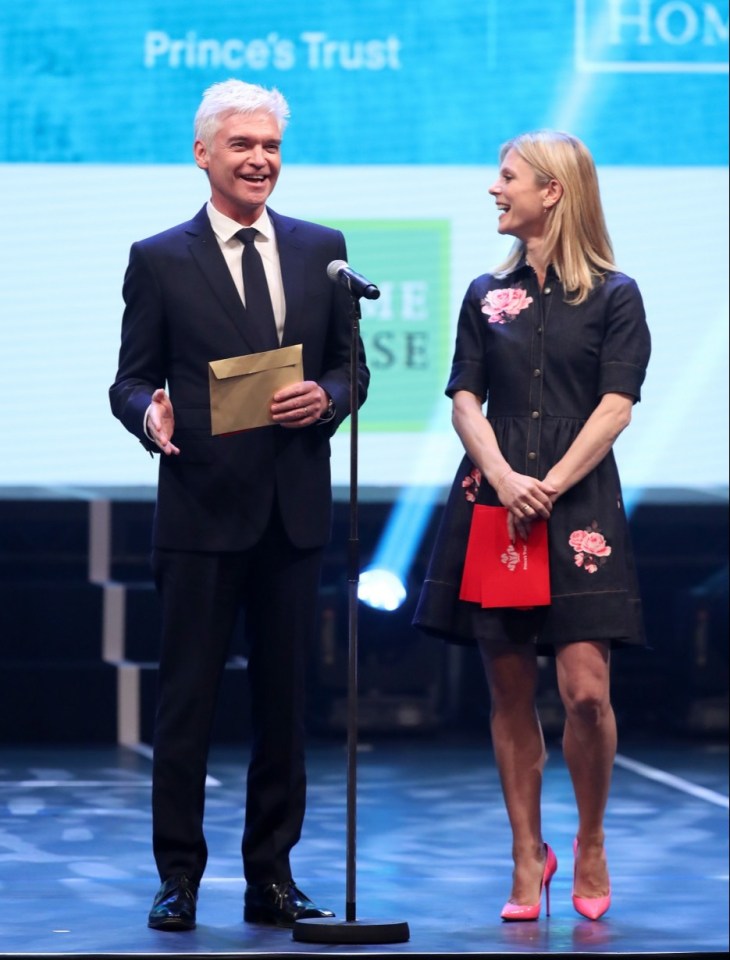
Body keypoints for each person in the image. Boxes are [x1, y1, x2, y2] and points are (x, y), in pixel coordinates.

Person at [109, 79, 369, 931]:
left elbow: (351, 368)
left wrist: (326, 398)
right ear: (204, 154)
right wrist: (149, 413)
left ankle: (272, 877)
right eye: (243, 146)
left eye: (271, 147)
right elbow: (129, 378)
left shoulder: (323, 251)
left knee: (284, 710)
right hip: (199, 514)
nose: (260, 160)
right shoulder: (159, 258)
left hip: (291, 515)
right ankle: (178, 877)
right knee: (187, 704)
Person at [413, 131, 650, 922]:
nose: (493, 189)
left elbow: (615, 406)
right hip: (496, 501)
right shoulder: (486, 293)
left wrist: (549, 483)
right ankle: (525, 853)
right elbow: (464, 399)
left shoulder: (617, 295)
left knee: (586, 693)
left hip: (576, 504)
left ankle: (587, 840)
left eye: (507, 177)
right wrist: (509, 479)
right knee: (509, 687)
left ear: (553, 192)